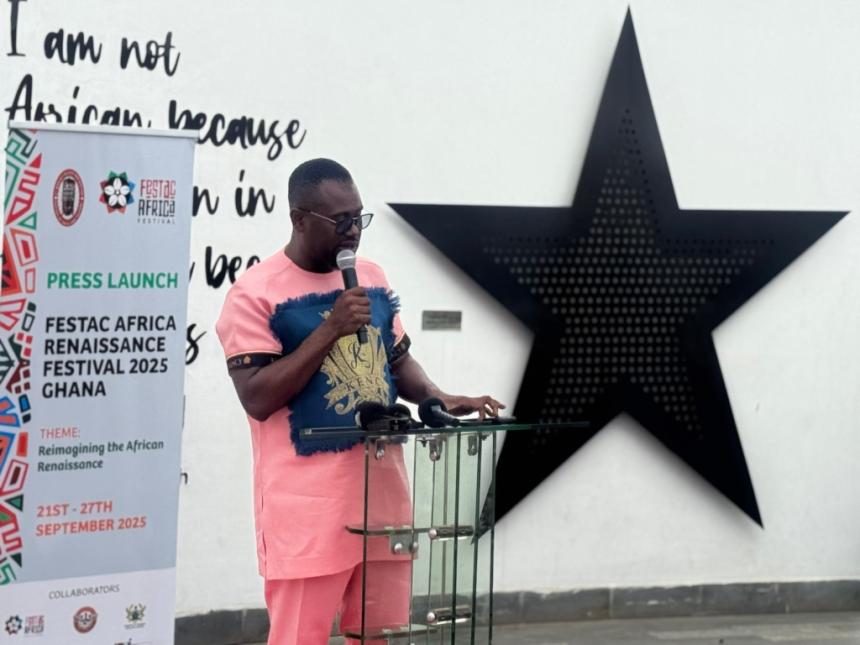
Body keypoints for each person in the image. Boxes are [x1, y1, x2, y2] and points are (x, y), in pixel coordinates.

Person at [215, 158, 504, 645]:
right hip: (307, 513)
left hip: (383, 502)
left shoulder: (370, 276)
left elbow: (397, 361)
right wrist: (331, 327)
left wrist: (438, 396)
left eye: (358, 218)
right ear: (298, 219)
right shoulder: (254, 293)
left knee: (378, 637)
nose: (353, 231)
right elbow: (257, 397)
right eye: (340, 220)